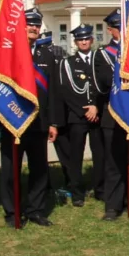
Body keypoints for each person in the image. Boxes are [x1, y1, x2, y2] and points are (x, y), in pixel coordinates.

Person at [0, 8, 62, 227]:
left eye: (37, 24)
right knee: (10, 170)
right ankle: (12, 211)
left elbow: (53, 91)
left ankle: (35, 209)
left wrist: (53, 122)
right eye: (30, 24)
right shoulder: (10, 53)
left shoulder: (46, 55)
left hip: (39, 122)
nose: (34, 28)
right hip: (14, 120)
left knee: (39, 169)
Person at [93, 8, 129, 221]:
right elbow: (103, 82)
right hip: (114, 114)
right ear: (111, 30)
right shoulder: (103, 54)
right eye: (119, 28)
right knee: (114, 162)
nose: (123, 31)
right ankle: (113, 205)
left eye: (126, 27)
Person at [55, 24, 102, 207]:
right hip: (77, 116)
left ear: (92, 40)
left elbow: (102, 86)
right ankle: (76, 192)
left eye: (87, 38)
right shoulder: (67, 63)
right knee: (76, 155)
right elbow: (66, 91)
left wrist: (96, 107)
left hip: (97, 115)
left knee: (100, 154)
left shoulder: (99, 60)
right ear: (75, 42)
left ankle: (100, 189)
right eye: (80, 39)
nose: (84, 41)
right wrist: (85, 110)